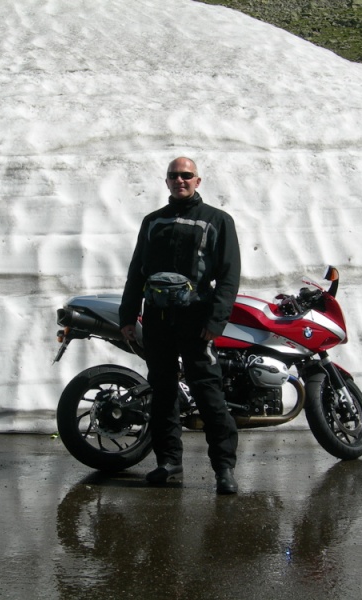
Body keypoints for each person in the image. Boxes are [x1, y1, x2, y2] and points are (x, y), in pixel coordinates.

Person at [119, 157, 241, 495]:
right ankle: (169, 463)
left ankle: (224, 469)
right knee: (162, 393)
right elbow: (136, 272)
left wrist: (216, 321)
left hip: (197, 321)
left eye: (186, 175)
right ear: (167, 181)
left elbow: (229, 275)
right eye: (173, 176)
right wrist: (127, 317)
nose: (180, 180)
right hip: (157, 320)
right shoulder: (152, 222)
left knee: (208, 393)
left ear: (198, 180)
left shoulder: (218, 220)